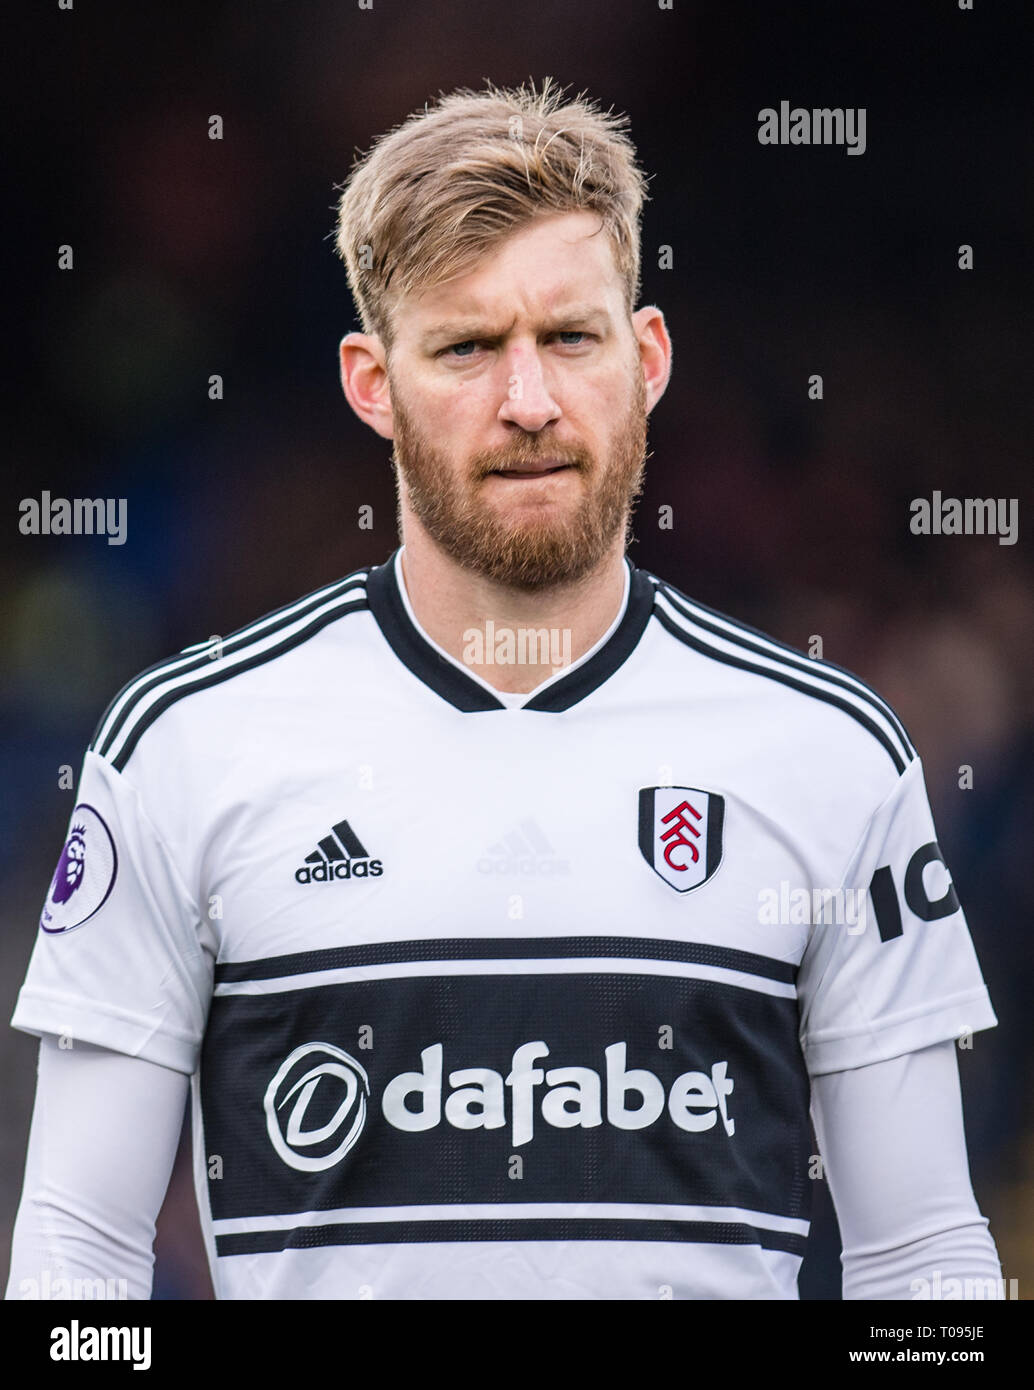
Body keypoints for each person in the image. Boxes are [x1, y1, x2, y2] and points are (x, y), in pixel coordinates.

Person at [6, 79, 1003, 1301]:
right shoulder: (184, 748)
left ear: (645, 359)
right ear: (372, 383)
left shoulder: (830, 754)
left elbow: (923, 1261)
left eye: (568, 339)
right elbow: (73, 1255)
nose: (527, 401)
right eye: (467, 346)